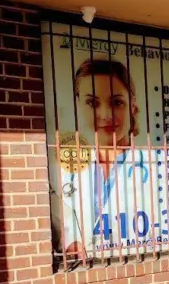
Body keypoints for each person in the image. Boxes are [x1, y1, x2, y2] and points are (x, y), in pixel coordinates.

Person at [58, 58, 150, 259]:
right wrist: (71, 241)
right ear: (77, 104)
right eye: (92, 102)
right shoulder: (67, 166)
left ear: (132, 105)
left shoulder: (153, 162)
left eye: (116, 102)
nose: (106, 115)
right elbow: (60, 218)